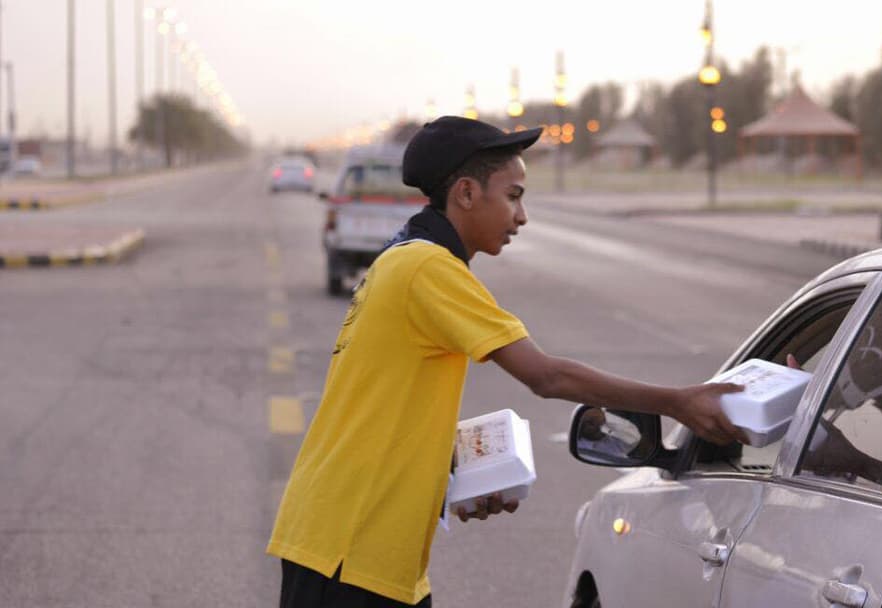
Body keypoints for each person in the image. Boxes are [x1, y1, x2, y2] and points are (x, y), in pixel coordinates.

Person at [266, 116, 746, 608]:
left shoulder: (405, 259)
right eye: (513, 196)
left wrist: (453, 473)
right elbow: (546, 375)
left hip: (359, 545)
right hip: (349, 551)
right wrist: (679, 402)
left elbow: (378, 408)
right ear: (468, 194)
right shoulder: (429, 267)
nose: (522, 216)